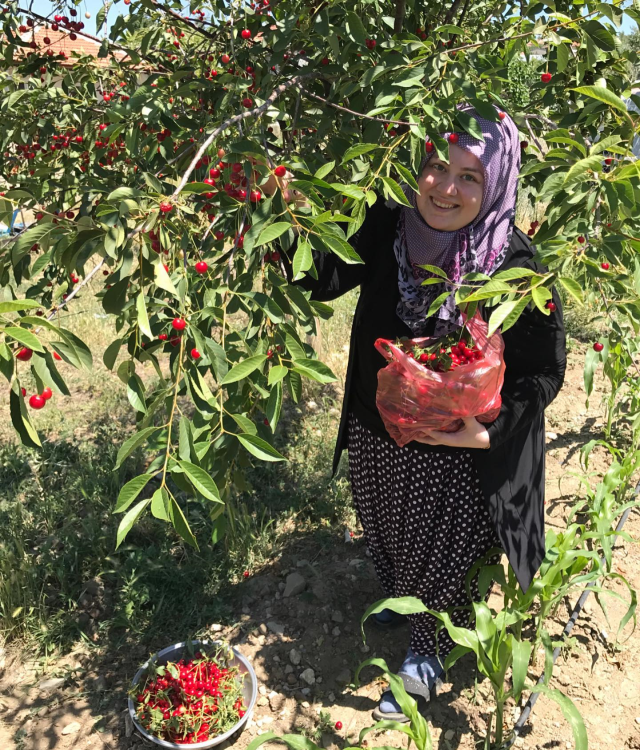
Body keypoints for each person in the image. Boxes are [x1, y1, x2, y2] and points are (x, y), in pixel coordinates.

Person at [271, 104, 567, 721]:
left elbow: (544, 370)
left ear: (497, 185)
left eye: (470, 177)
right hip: (382, 426)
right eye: (436, 165)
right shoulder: (390, 222)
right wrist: (289, 211)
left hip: (459, 448)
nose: (445, 187)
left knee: (445, 545)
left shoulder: (514, 264)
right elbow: (321, 275)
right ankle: (403, 594)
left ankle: (427, 648)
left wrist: (488, 435)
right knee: (386, 523)